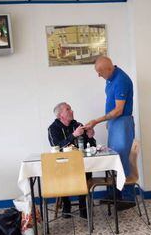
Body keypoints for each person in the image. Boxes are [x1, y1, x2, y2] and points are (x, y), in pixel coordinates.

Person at [84, 56, 136, 210]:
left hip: (122, 122)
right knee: (112, 158)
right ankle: (114, 195)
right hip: (114, 123)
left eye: (100, 72)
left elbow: (119, 110)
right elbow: (112, 105)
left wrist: (97, 121)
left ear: (108, 68)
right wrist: (109, 122)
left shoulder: (121, 80)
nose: (98, 75)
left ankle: (127, 198)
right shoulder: (110, 78)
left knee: (120, 159)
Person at [47, 102, 96, 218]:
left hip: (80, 165)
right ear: (60, 115)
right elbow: (56, 147)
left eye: (71, 109)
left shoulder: (78, 125)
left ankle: (82, 206)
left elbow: (91, 146)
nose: (72, 111)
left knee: (86, 170)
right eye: (68, 109)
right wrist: (73, 135)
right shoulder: (53, 128)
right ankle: (66, 204)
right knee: (61, 174)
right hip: (62, 165)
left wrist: (90, 137)